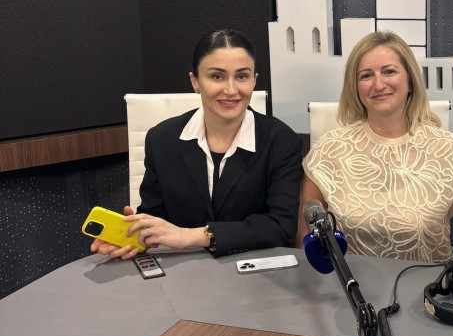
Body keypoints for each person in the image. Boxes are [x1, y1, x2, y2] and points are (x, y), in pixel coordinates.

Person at [91, 29, 303, 259]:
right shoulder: (162, 139)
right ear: (195, 81)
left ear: (254, 80)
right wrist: (134, 236)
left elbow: (281, 227)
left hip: (256, 270)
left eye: (242, 76)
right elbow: (155, 215)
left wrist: (194, 236)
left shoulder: (282, 141)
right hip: (184, 269)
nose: (231, 90)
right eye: (217, 77)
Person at [298, 31, 453, 264]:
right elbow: (306, 238)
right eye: (366, 76)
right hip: (348, 285)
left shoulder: (447, 149)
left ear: (411, 81)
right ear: (355, 87)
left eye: (389, 71)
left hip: (428, 285)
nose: (378, 84)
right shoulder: (328, 149)